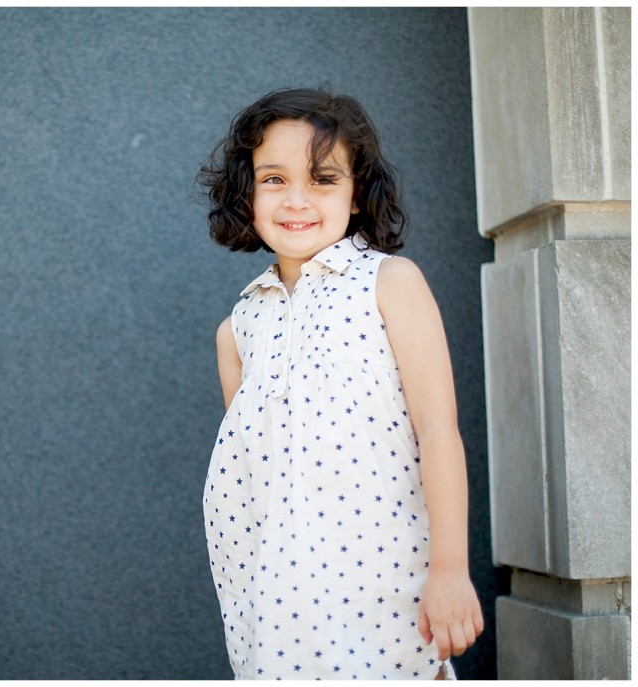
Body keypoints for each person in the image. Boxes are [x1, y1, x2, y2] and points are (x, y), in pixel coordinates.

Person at [197, 88, 483, 680]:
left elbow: (437, 430)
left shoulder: (390, 283)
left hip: (387, 584)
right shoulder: (239, 327)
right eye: (273, 179)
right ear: (245, 191)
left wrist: (450, 569)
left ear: (357, 195)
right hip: (277, 601)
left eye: (323, 179)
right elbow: (258, 475)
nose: (296, 199)